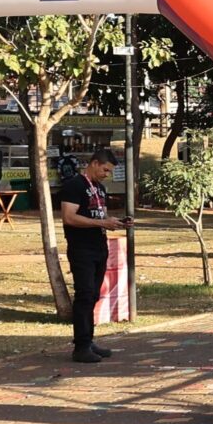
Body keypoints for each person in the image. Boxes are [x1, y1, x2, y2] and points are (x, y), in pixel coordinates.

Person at [54, 151, 128, 364]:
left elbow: (100, 215)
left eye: (110, 172)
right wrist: (101, 223)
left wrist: (115, 222)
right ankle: (81, 346)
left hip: (99, 247)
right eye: (105, 170)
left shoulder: (99, 188)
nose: (107, 175)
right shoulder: (74, 185)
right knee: (84, 294)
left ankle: (89, 340)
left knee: (93, 295)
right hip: (81, 248)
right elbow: (69, 217)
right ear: (94, 163)